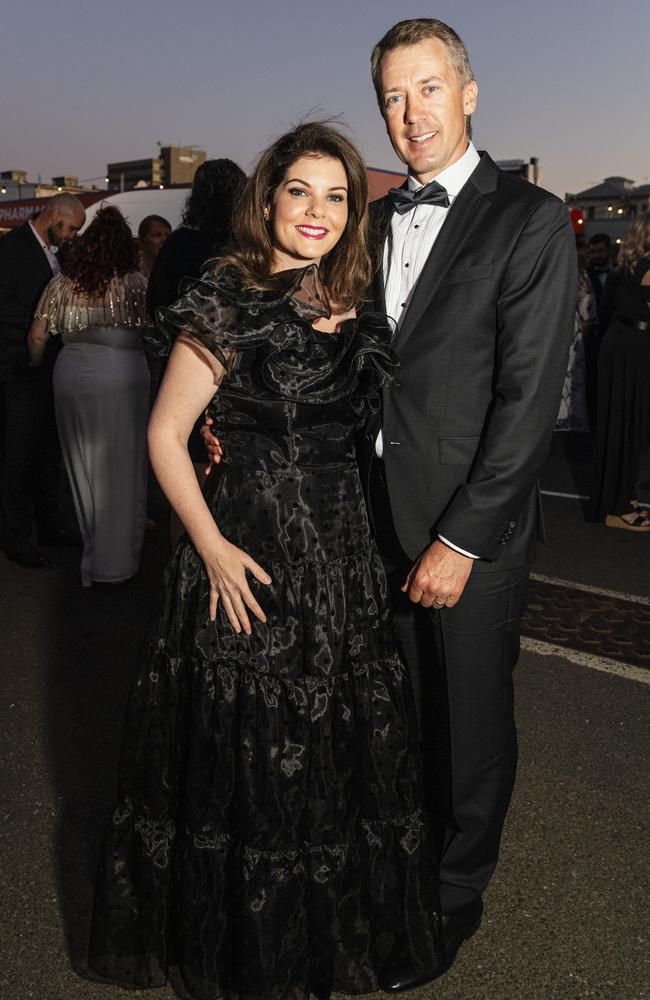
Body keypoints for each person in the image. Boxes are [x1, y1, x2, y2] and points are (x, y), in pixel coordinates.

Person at [88, 123, 441, 1000]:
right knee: (255, 760)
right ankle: (252, 956)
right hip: (248, 558)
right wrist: (209, 547)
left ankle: (323, 945)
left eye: (336, 196)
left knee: (332, 756)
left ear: (354, 211)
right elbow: (166, 434)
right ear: (269, 199)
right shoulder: (227, 293)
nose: (316, 211)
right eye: (300, 191)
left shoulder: (356, 302)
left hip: (343, 562)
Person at [358, 19, 576, 990]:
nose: (410, 115)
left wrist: (458, 539)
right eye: (392, 97)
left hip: (464, 532)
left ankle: (453, 894)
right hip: (369, 515)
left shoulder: (527, 219)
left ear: (469, 91)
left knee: (471, 723)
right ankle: (402, 863)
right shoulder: (369, 223)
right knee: (399, 715)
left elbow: (525, 408)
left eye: (428, 89)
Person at [28, 206, 151, 586]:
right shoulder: (135, 284)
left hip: (68, 374)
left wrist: (37, 371)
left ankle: (94, 554)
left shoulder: (63, 282)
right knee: (121, 467)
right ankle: (116, 564)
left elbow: (37, 338)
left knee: (80, 465)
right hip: (121, 375)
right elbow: (156, 332)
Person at [0, 193, 86, 568]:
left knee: (48, 453)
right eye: (70, 228)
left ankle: (50, 525)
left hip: (49, 367)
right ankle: (15, 537)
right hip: (17, 369)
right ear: (53, 214)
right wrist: (46, 325)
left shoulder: (60, 255)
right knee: (16, 457)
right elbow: (5, 308)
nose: (71, 237)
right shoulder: (11, 249)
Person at [588, 211, 650, 530]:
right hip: (632, 350)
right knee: (625, 425)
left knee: (623, 425)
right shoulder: (647, 266)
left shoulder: (627, 265)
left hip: (623, 346)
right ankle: (619, 507)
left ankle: (624, 497)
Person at [556, 239, 597, 432]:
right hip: (561, 334)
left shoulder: (579, 277)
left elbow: (588, 315)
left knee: (571, 382)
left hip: (569, 336)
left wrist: (579, 341)